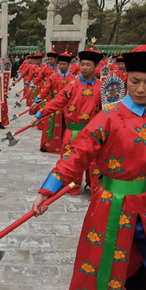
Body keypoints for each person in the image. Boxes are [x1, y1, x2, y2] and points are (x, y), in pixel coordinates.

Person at [30, 39, 146, 290]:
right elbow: (76, 155)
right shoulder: (108, 118)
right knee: (108, 252)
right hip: (111, 201)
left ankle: (137, 282)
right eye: (135, 81)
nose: (141, 89)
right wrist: (47, 191)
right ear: (126, 78)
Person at [31, 44, 104, 194]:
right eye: (82, 64)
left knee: (94, 162)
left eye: (88, 65)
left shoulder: (102, 87)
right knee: (70, 160)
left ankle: (94, 186)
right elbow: (57, 101)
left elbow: (110, 110)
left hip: (93, 133)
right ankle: (71, 187)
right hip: (73, 131)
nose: (84, 68)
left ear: (96, 67)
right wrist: (40, 114)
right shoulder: (73, 85)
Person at [33, 51, 75, 154]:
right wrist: (37, 100)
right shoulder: (53, 77)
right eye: (60, 64)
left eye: (64, 64)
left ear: (68, 65)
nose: (62, 66)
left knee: (65, 128)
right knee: (50, 127)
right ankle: (48, 146)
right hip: (53, 106)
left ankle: (63, 146)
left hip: (67, 108)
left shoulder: (73, 79)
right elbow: (45, 89)